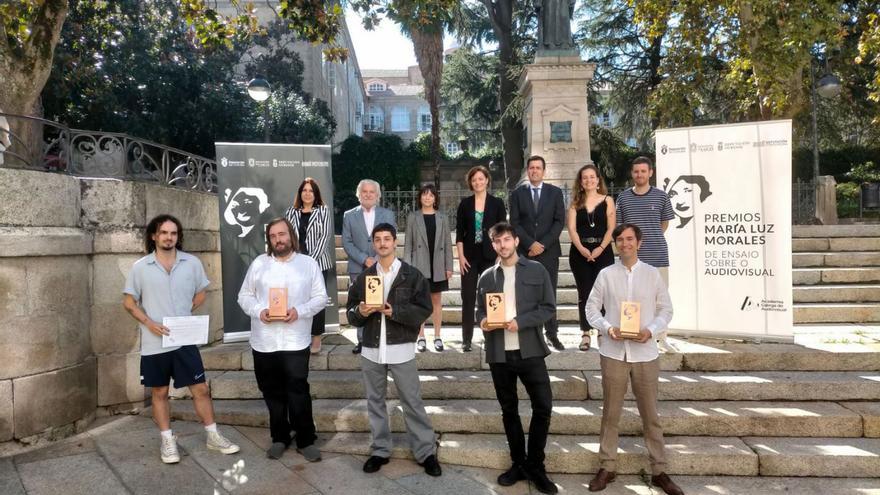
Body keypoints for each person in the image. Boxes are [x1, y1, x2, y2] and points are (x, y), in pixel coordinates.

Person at [122, 214, 240, 464]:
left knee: (200, 388)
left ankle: (212, 435)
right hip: (155, 343)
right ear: (154, 236)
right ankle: (167, 440)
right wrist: (150, 323)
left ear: (178, 236)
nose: (169, 237)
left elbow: (200, 293)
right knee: (160, 391)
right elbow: (129, 303)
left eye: (173, 233)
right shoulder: (140, 267)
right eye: (163, 232)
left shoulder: (192, 263)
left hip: (185, 341)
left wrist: (183, 318)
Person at [584, 223, 682, 495]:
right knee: (610, 414)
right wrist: (607, 328)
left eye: (629, 239)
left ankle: (659, 470)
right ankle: (607, 466)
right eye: (620, 240)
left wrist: (651, 330)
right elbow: (591, 307)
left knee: (651, 415)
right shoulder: (606, 274)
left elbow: (666, 309)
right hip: (613, 353)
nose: (625, 244)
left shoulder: (651, 275)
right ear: (615, 244)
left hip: (645, 354)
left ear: (638, 243)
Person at [346, 223, 442, 477]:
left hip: (401, 349)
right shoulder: (365, 278)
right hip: (371, 351)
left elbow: (424, 310)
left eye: (387, 239)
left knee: (412, 401)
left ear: (394, 242)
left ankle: (426, 452)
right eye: (377, 239)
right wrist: (361, 311)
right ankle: (379, 450)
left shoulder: (412, 275)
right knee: (375, 401)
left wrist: (395, 312)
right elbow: (351, 314)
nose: (382, 243)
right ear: (373, 244)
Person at [476, 222, 558, 494]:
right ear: (493, 245)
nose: (503, 245)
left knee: (543, 407)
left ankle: (536, 465)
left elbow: (548, 307)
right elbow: (480, 312)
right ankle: (518, 463)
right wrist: (484, 321)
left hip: (531, 351)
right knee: (508, 410)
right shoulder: (486, 277)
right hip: (500, 354)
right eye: (498, 241)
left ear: (516, 241)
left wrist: (521, 322)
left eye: (507, 239)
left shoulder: (537, 270)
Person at [237, 218, 327, 461]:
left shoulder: (308, 264)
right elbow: (243, 296)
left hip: (295, 340)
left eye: (282, 234)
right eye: (273, 235)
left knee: (298, 390)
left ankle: (306, 439)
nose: (278, 239)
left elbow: (321, 297)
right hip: (264, 341)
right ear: (269, 239)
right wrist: (259, 311)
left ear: (291, 236)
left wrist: (300, 311)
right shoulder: (259, 264)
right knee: (272, 392)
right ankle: (280, 437)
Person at [508, 155, 566, 351]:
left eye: (538, 168)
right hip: (525, 252)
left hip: (548, 252)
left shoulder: (555, 193)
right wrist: (530, 243)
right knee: (526, 294)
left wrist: (543, 244)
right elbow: (514, 223)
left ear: (544, 171)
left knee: (549, 293)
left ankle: (552, 334)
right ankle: (531, 333)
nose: (534, 171)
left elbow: (559, 221)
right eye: (531, 168)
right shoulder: (517, 194)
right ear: (527, 170)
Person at [456, 165, 507, 352]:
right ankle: (466, 339)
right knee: (468, 297)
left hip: (490, 257)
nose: (478, 182)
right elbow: (460, 233)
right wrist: (460, 257)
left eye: (481, 178)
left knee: (491, 297)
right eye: (474, 179)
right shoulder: (465, 204)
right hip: (469, 256)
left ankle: (492, 338)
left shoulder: (497, 203)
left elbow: (503, 232)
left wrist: (500, 256)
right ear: (471, 182)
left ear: (487, 180)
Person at [342, 179, 396, 354]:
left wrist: (377, 258)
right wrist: (365, 259)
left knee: (382, 301)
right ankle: (361, 340)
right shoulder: (349, 215)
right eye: (364, 191)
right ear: (359, 195)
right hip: (358, 267)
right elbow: (347, 242)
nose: (368, 194)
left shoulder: (387, 214)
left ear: (377, 195)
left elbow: (391, 239)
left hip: (383, 265)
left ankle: (383, 338)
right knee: (361, 303)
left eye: (372, 192)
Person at [567, 164, 616, 352]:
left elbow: (611, 228)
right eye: (584, 177)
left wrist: (601, 247)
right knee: (584, 293)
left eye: (592, 177)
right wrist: (582, 249)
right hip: (580, 253)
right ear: (581, 182)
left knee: (603, 293)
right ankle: (586, 332)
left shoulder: (608, 200)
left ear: (598, 180)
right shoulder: (574, 203)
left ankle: (602, 330)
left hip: (603, 251)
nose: (589, 180)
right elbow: (571, 229)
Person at [285, 177, 333, 354]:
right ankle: (299, 336)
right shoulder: (291, 211)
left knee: (316, 301)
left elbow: (325, 237)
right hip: (294, 264)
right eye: (304, 190)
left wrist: (309, 262)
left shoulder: (323, 211)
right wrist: (297, 260)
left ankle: (316, 338)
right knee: (297, 299)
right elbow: (288, 236)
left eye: (311, 191)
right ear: (300, 193)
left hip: (318, 263)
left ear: (316, 194)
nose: (307, 193)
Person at [404, 183, 453, 352]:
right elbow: (408, 245)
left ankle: (438, 336)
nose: (427, 197)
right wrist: (408, 268)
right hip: (419, 266)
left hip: (438, 265)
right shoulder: (413, 217)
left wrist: (449, 266)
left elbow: (447, 244)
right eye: (424, 194)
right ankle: (421, 336)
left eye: (431, 195)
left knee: (436, 302)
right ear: (420, 197)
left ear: (435, 198)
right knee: (419, 303)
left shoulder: (443, 218)